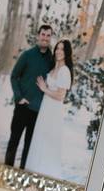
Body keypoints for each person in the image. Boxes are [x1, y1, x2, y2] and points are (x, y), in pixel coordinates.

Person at [5, 25, 53, 168]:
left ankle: (22, 175)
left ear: (51, 38)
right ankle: (7, 171)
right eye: (43, 34)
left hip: (39, 112)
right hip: (23, 107)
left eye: (48, 35)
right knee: (14, 141)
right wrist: (19, 97)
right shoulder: (27, 55)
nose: (45, 38)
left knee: (29, 148)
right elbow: (14, 76)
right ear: (38, 36)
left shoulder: (52, 61)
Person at [24, 39, 73, 176]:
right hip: (45, 109)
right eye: (57, 48)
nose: (58, 51)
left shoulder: (64, 71)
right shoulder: (54, 68)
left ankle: (44, 175)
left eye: (62, 49)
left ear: (66, 52)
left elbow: (60, 95)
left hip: (53, 112)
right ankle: (34, 172)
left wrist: (44, 89)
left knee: (48, 142)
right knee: (40, 139)